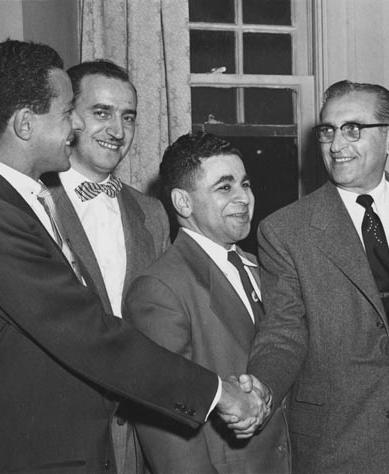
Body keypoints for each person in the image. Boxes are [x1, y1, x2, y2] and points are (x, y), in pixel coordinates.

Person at [0, 39, 265, 473]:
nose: (76, 126)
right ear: (26, 124)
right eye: (69, 111)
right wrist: (219, 392)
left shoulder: (12, 205)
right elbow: (88, 333)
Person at [242, 80, 389, 473]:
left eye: (353, 129)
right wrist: (262, 389)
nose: (336, 145)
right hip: (332, 445)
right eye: (328, 131)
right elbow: (283, 333)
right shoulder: (286, 230)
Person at [124, 132, 290, 473]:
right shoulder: (159, 289)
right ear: (183, 203)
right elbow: (170, 438)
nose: (244, 197)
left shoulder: (261, 267)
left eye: (245, 184)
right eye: (225, 187)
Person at [40, 59, 168, 474]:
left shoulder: (152, 213)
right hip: (62, 433)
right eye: (101, 113)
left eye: (127, 117)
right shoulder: (33, 205)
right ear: (68, 116)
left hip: (140, 432)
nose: (117, 130)